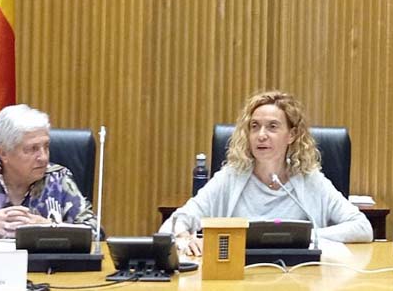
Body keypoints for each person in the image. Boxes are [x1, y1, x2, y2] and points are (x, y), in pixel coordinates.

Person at [160, 90, 373, 255]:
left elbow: (362, 228)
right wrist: (184, 237)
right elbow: (173, 224)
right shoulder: (231, 177)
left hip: (299, 281)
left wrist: (310, 237)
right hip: (240, 280)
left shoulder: (309, 179)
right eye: (255, 126)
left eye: (272, 127)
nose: (261, 135)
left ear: (291, 135)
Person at [0, 104, 98, 241]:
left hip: (45, 268)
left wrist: (48, 227)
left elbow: (95, 233)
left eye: (46, 146)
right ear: (3, 153)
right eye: (32, 149)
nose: (44, 157)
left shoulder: (59, 179)